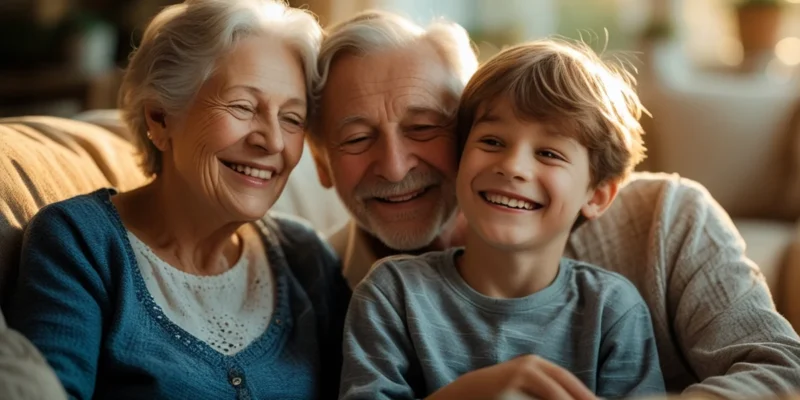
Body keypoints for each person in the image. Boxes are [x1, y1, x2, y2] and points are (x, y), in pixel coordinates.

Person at [307, 9, 800, 399]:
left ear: (458, 131)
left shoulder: (665, 221)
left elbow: (782, 374)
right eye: (355, 138)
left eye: (422, 127)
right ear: (321, 161)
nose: (394, 167)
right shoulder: (325, 285)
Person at [7, 0, 349, 398]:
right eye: (242, 106)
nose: (272, 141)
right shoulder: (82, 242)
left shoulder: (305, 259)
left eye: (291, 118)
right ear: (160, 116)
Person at [339, 39, 666, 400]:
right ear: (459, 157)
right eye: (493, 141)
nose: (512, 166)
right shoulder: (391, 294)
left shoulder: (612, 310)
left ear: (598, 195)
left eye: (548, 153)